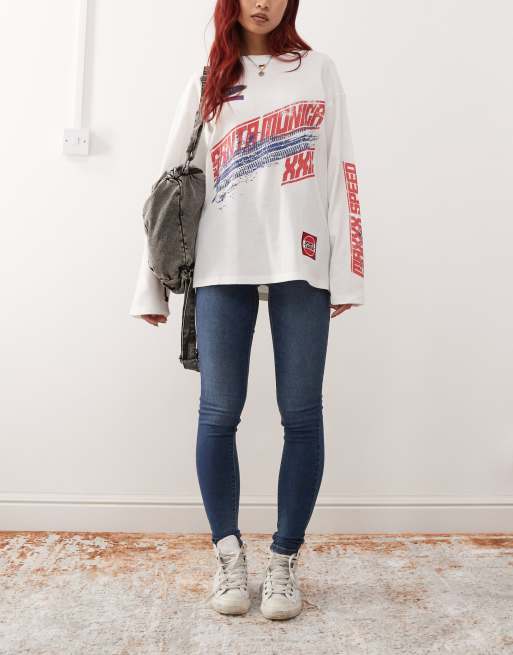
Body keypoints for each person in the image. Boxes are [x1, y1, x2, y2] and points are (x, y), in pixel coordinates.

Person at [129, 0, 365, 621]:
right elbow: (169, 185)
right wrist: (150, 286)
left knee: (302, 414)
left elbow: (341, 170)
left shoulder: (318, 69)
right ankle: (229, 556)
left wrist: (349, 270)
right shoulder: (207, 79)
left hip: (301, 260)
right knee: (218, 412)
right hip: (220, 262)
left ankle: (284, 559)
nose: (262, 3)